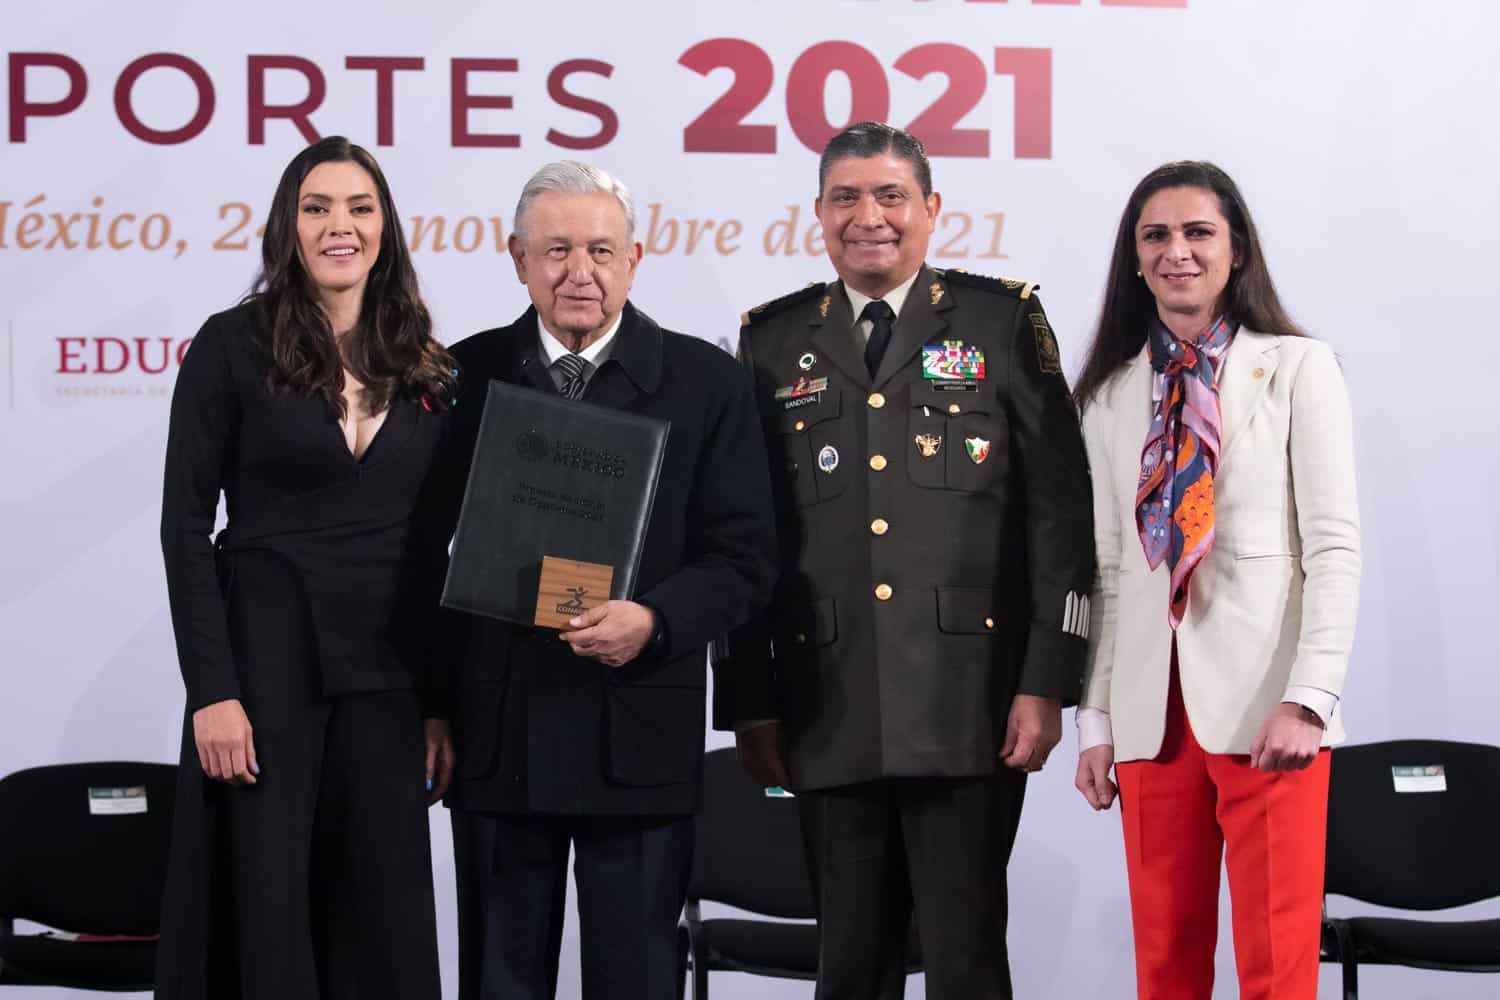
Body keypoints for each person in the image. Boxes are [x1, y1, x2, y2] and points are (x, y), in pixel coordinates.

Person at [714, 121, 1096, 999]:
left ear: (931, 209)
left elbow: (1059, 516)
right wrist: (751, 704)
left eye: (890, 196)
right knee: (849, 964)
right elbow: (742, 536)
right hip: (825, 701)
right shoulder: (771, 343)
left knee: (966, 959)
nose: (869, 217)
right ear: (817, 213)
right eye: (846, 197)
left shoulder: (1001, 321)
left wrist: (1048, 681)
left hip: (971, 703)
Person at [435, 160, 777, 1000]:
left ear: (635, 258)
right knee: (498, 978)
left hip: (637, 731)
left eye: (599, 249)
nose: (577, 272)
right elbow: (417, 560)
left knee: (637, 978)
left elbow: (746, 560)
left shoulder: (707, 383)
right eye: (554, 251)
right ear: (517, 259)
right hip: (496, 733)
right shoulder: (457, 377)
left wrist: (654, 621)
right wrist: (431, 707)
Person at [155, 135, 456, 1000]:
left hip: (388, 678)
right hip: (263, 672)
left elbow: (441, 546)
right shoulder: (229, 346)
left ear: (385, 227)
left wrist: (439, 705)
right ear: (288, 226)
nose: (340, 226)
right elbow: (184, 532)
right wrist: (213, 691)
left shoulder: (428, 365)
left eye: (360, 207)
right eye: (317, 207)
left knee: (383, 915)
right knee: (267, 907)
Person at [1070, 160, 1361, 1000]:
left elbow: (1334, 550)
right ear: (1134, 258)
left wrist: (1310, 699)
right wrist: (1094, 721)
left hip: (1270, 712)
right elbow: (1109, 570)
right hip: (1149, 719)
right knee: (1165, 967)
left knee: (1276, 969)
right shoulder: (1110, 393)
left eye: (1199, 232)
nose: (1178, 252)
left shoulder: (1300, 368)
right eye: (1156, 235)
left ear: (1237, 251)